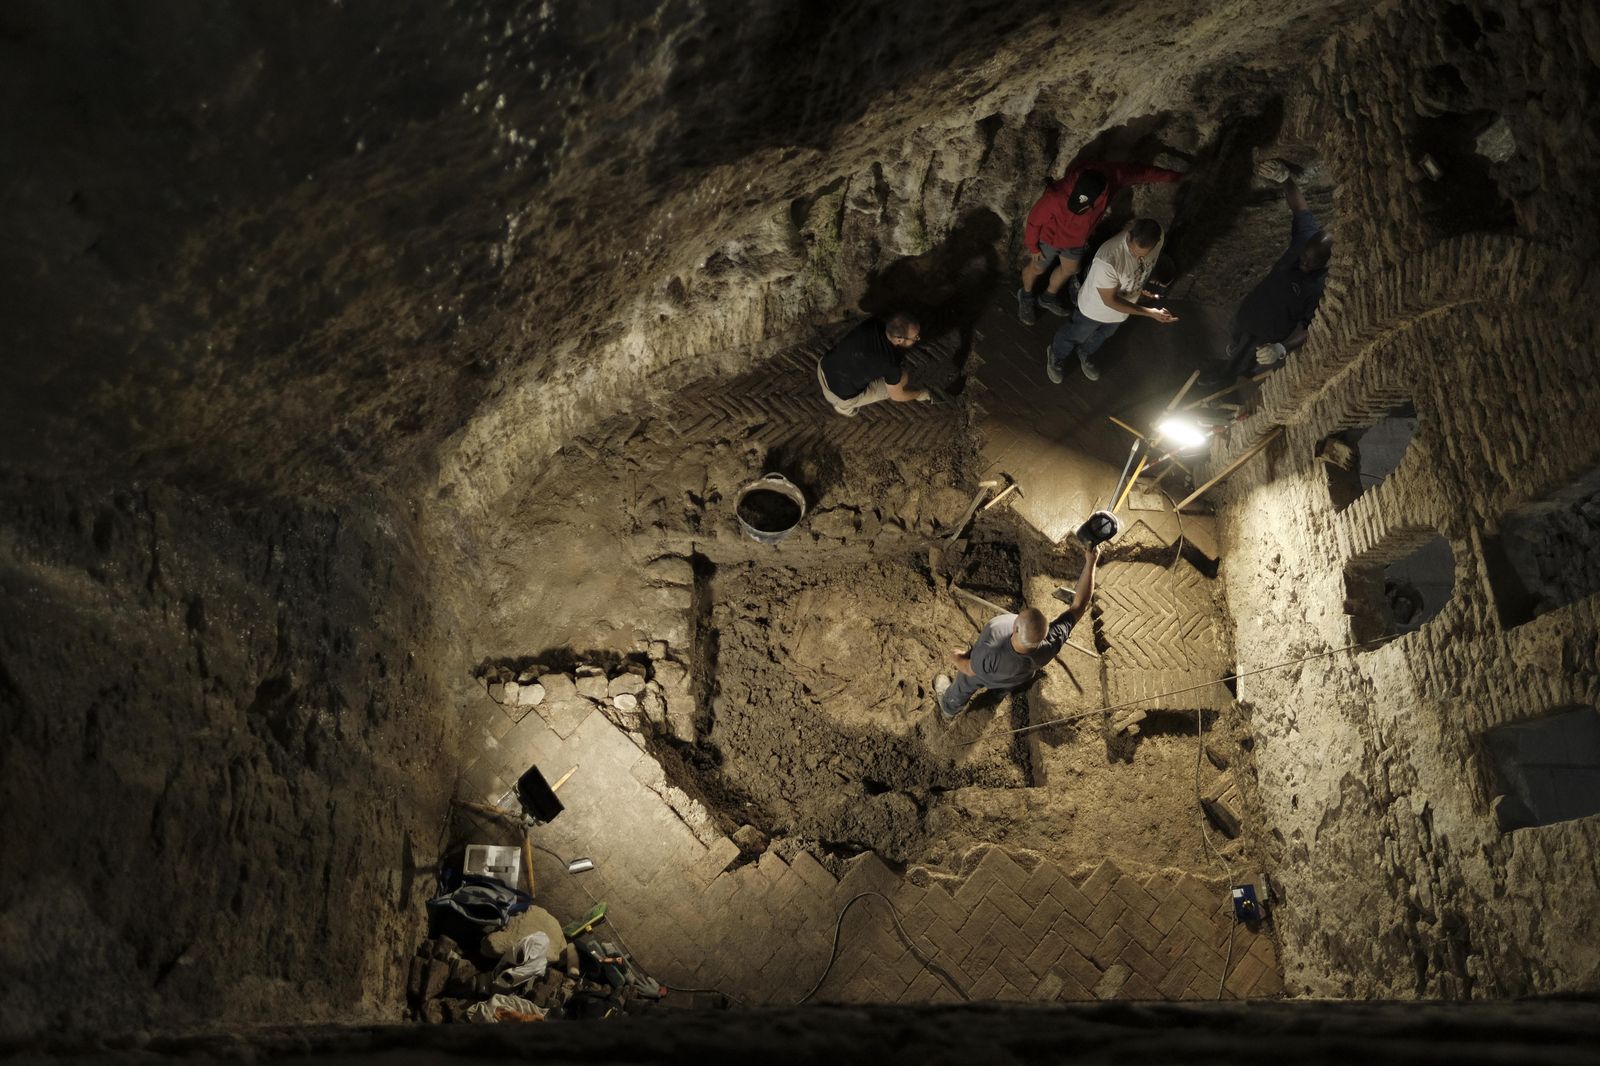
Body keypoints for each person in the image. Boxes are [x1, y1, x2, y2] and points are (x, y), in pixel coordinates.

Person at [1203, 159, 1333, 388]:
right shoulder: (1306, 238)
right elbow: (1300, 209)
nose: (1303, 263)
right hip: (1249, 314)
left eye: (1310, 263)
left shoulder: (1321, 286)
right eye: (1303, 257)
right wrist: (1286, 179)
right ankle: (1225, 367)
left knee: (1241, 367)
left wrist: (1281, 348)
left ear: (1323, 263)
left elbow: (1311, 327)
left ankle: (1227, 383)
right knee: (1234, 349)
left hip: (1267, 335)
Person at [934, 543, 1100, 721]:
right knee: (1004, 684)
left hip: (987, 673)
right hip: (1017, 677)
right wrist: (1091, 562)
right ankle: (997, 695)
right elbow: (1079, 606)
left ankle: (949, 706)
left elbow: (969, 669)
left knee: (965, 682)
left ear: (1015, 628)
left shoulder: (992, 644)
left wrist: (956, 657)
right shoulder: (1051, 643)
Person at [1017, 159, 1183, 325]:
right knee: (1037, 268)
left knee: (1070, 269)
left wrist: (1176, 177)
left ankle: (1048, 297)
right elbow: (1034, 221)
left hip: (1075, 242)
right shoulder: (1056, 195)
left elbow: (1143, 173)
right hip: (1049, 238)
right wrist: (1033, 247)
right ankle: (1026, 295)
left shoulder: (1112, 178)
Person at [1045, 218, 1178, 383]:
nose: (1137, 258)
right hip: (1094, 309)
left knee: (1103, 335)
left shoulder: (1158, 236)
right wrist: (1150, 313)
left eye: (1142, 255)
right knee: (1076, 333)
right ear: (1129, 236)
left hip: (1122, 311)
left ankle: (1085, 352)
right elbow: (1110, 301)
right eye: (1133, 253)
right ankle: (1057, 354)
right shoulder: (1108, 260)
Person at [816, 312, 930, 416]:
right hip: (838, 396)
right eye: (915, 338)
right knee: (903, 379)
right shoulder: (891, 363)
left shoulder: (873, 323)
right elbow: (897, 396)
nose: (917, 339)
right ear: (899, 339)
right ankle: (844, 408)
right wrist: (919, 394)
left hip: (823, 366)